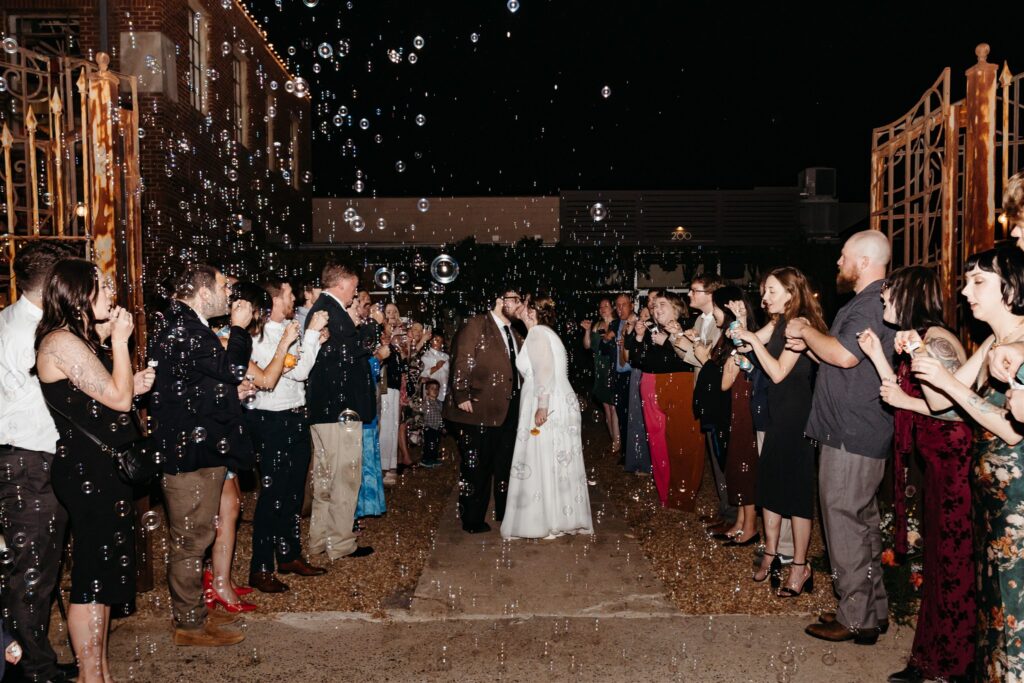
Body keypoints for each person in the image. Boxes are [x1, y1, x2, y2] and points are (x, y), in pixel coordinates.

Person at [905, 247, 1024, 680]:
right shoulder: (993, 342)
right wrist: (920, 354)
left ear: (1010, 288)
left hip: (1017, 505)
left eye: (978, 282)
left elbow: (1012, 430)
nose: (964, 291)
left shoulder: (1021, 347)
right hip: (989, 500)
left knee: (1014, 618)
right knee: (992, 612)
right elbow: (942, 402)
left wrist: (948, 384)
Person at [35, 258, 156, 680]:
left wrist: (127, 375)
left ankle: (99, 671)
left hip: (102, 470)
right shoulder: (60, 342)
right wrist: (120, 342)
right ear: (78, 295)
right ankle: (90, 675)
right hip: (87, 472)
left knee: (103, 576)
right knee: (91, 576)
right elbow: (119, 401)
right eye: (101, 287)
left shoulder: (78, 341)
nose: (110, 293)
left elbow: (104, 400)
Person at [857, 266, 975, 683]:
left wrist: (906, 397)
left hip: (954, 464)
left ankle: (955, 665)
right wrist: (877, 355)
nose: (882, 300)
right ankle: (932, 658)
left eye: (887, 293)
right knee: (938, 563)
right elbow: (902, 393)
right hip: (934, 463)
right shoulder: (917, 338)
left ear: (909, 295)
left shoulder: (937, 340)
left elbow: (956, 409)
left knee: (953, 565)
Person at [797, 230, 896, 644]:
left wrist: (806, 330)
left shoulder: (870, 304)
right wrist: (810, 344)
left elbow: (842, 355)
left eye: (844, 255)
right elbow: (837, 356)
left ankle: (854, 617)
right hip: (855, 431)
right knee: (863, 525)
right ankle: (872, 610)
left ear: (865, 261)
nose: (838, 262)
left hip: (850, 433)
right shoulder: (866, 302)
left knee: (843, 524)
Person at [148, 263, 254, 647]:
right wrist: (239, 328)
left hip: (200, 446)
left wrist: (226, 395)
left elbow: (197, 382)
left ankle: (194, 614)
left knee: (198, 535)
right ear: (204, 292)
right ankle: (189, 625)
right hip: (189, 454)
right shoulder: (186, 327)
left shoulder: (187, 325)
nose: (230, 293)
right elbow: (233, 367)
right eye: (224, 286)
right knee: (191, 541)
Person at [0, 242, 77, 683]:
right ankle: (33, 670)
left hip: (25, 459)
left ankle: (33, 658)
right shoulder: (31, 335)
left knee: (37, 565)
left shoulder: (10, 320)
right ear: (52, 284)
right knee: (32, 571)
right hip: (28, 461)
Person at [731, 268, 824, 596]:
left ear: (790, 292)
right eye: (763, 291)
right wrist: (742, 328)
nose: (764, 297)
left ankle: (800, 565)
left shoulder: (800, 324)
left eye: (771, 291)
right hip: (775, 412)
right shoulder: (778, 322)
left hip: (796, 416)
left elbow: (779, 372)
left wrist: (752, 341)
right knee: (769, 484)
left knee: (796, 492)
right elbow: (749, 346)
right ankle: (771, 553)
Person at [245, 277, 329, 595]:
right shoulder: (258, 335)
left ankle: (289, 554)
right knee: (272, 495)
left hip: (295, 416)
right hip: (270, 420)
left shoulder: (288, 329)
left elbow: (299, 369)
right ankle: (260, 567)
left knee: (294, 493)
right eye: (289, 294)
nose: (294, 299)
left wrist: (312, 341)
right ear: (274, 300)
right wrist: (311, 335)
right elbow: (298, 370)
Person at [501, 296, 593, 539]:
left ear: (533, 311)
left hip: (547, 400)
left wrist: (542, 406)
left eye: (524, 302)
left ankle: (546, 522)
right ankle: (560, 519)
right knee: (554, 460)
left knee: (542, 457)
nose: (518, 305)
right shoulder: (545, 332)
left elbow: (544, 371)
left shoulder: (537, 333)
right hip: (558, 399)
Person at [304, 261, 375, 560]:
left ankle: (319, 539)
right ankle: (341, 543)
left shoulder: (324, 309)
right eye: (354, 287)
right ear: (342, 283)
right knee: (345, 477)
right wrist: (369, 325)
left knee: (324, 479)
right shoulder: (331, 310)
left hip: (325, 409)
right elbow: (352, 351)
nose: (355, 293)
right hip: (339, 408)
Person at [444, 289, 524, 533]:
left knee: (504, 463)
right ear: (499, 301)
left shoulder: (514, 332)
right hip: (477, 407)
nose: (519, 305)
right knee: (477, 467)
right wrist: (461, 394)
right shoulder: (477, 324)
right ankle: (472, 519)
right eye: (515, 300)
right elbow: (462, 358)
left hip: (509, 408)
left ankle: (504, 512)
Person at [671, 274, 734, 530]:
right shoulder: (699, 320)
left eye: (694, 290)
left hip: (719, 393)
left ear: (710, 294)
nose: (689, 295)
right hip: (704, 392)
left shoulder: (723, 323)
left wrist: (689, 345)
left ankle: (732, 514)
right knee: (715, 455)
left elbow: (709, 362)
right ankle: (724, 510)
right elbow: (690, 358)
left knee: (724, 455)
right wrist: (677, 339)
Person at [629, 291, 702, 510]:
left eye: (662, 304)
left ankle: (683, 495)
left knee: (682, 442)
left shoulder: (687, 327)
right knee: (657, 442)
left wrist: (670, 340)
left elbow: (691, 359)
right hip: (652, 387)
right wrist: (639, 337)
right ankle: (665, 493)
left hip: (679, 386)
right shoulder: (651, 328)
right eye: (655, 305)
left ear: (676, 308)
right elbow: (638, 360)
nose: (656, 308)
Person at [714, 287, 761, 546]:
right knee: (737, 462)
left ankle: (750, 526)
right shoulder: (730, 335)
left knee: (745, 461)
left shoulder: (749, 334)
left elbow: (730, 376)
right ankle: (741, 522)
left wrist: (739, 325)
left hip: (746, 403)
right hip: (735, 403)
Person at [354, 289, 388, 521]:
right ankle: (358, 509)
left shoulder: (361, 331)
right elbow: (358, 369)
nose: (369, 309)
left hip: (366, 399)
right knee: (359, 456)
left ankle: (368, 505)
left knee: (368, 452)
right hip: (357, 403)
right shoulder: (353, 331)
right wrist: (378, 358)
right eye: (364, 304)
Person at [619, 292, 655, 475]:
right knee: (636, 419)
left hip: (649, 374)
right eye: (642, 315)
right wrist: (627, 336)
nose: (643, 318)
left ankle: (649, 462)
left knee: (648, 420)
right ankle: (637, 460)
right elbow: (626, 359)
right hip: (636, 374)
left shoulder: (655, 332)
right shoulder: (636, 331)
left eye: (647, 315)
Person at [580, 298, 618, 451]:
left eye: (606, 306)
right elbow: (587, 346)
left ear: (612, 308)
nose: (603, 309)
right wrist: (587, 330)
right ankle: (613, 439)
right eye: (600, 306)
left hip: (612, 367)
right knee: (606, 407)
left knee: (614, 407)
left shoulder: (617, 324)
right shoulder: (596, 325)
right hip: (600, 369)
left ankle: (617, 442)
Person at [611, 293, 635, 461]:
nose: (620, 309)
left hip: (632, 375)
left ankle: (633, 453)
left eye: (624, 304)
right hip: (618, 375)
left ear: (631, 305)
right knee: (621, 414)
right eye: (618, 305)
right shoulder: (614, 324)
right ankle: (626, 452)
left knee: (633, 415)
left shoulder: (637, 322)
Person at [420, 379, 444, 468]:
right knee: (428, 444)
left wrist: (443, 426)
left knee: (436, 444)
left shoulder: (439, 403)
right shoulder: (425, 402)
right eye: (432, 388)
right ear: (427, 391)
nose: (435, 390)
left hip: (437, 427)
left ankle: (433, 458)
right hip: (429, 427)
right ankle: (425, 460)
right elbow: (420, 410)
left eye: (437, 388)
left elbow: (442, 414)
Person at [421, 332, 450, 403]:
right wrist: (436, 367)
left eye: (441, 341)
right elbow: (423, 375)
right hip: (432, 393)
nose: (439, 343)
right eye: (436, 340)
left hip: (445, 390)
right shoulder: (426, 356)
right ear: (431, 341)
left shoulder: (446, 356)